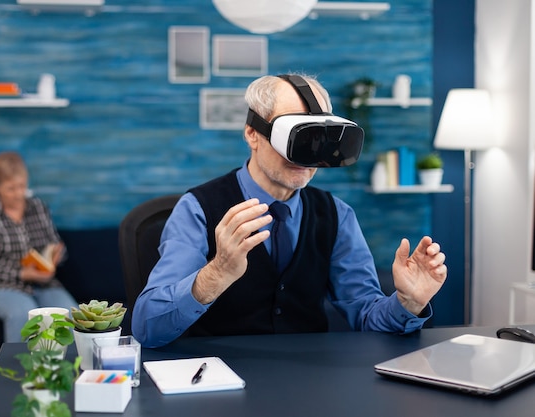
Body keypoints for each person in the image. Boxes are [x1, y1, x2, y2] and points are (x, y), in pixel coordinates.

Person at [132, 73, 447, 348]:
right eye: (296, 136)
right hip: (215, 379)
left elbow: (366, 315)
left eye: (317, 139)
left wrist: (407, 303)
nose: (307, 155)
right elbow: (148, 328)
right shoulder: (197, 209)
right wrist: (217, 273)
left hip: (309, 382)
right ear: (252, 134)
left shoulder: (337, 215)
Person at [0, 151, 77, 342]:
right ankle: (22, 372)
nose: (19, 194)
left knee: (68, 313)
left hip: (42, 283)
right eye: (11, 189)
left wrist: (55, 256)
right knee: (23, 314)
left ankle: (65, 370)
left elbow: (55, 244)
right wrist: (21, 273)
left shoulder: (38, 207)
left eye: (22, 186)